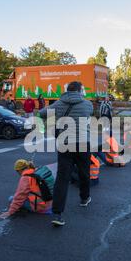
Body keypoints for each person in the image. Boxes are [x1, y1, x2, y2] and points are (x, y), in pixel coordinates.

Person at [39, 81, 93, 227]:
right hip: (82, 143)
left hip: (65, 143)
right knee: (84, 173)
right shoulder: (88, 104)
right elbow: (89, 115)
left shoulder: (58, 103)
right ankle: (84, 198)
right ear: (80, 90)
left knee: (62, 178)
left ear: (67, 90)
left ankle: (57, 214)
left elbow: (41, 113)